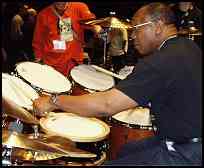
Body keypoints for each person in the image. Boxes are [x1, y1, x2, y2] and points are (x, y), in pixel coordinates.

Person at [33, 2, 202, 166]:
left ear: (157, 26)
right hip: (183, 138)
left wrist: (53, 101)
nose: (133, 36)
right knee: (126, 150)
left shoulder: (160, 61)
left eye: (136, 28)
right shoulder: (188, 46)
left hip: (186, 152)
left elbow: (106, 105)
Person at [32, 2, 101, 76]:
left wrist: (97, 28)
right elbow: (38, 39)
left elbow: (91, 22)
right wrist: (38, 58)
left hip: (73, 61)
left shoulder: (79, 7)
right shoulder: (43, 14)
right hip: (51, 63)